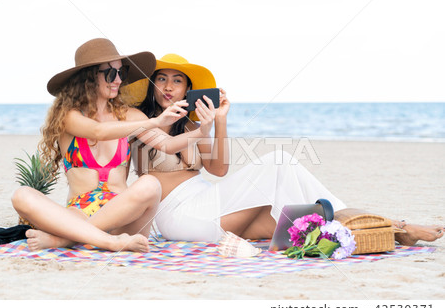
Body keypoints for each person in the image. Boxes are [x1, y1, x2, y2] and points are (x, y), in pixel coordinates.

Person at [132, 53, 444, 246]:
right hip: (179, 216)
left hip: (209, 203)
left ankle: (395, 228)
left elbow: (218, 171)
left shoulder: (191, 126)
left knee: (314, 220)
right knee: (279, 161)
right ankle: (395, 226)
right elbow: (164, 148)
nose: (168, 87)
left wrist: (219, 122)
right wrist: (202, 128)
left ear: (188, 89)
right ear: (152, 85)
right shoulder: (141, 121)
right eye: (161, 79)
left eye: (177, 81)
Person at [11, 39, 212, 253]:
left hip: (124, 216)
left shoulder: (130, 116)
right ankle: (107, 242)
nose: (117, 80)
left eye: (121, 72)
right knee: (22, 195)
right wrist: (155, 121)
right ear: (88, 77)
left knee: (150, 184)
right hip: (79, 213)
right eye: (109, 74)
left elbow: (168, 145)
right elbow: (98, 131)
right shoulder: (69, 117)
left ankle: (67, 240)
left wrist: (202, 131)